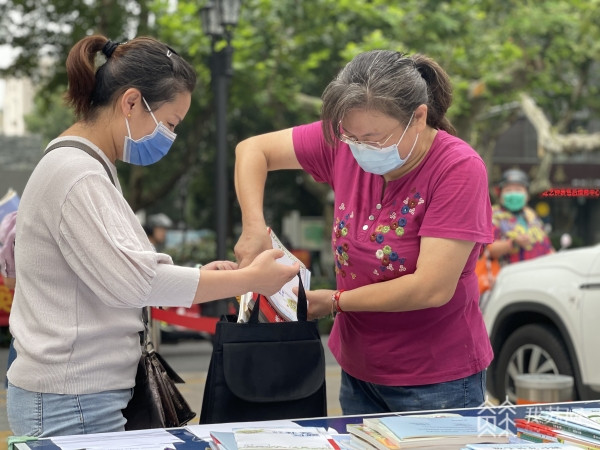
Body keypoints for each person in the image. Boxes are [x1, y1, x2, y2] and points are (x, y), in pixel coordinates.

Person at [7, 34, 299, 438]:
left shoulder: (84, 166)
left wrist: (202, 275)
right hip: (73, 400)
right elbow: (138, 282)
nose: (170, 137)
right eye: (169, 123)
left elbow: (123, 272)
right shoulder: (77, 174)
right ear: (130, 102)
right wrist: (250, 280)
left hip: (79, 395)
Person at [234, 50, 493, 415]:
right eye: (349, 136)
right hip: (358, 371)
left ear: (418, 118)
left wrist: (335, 301)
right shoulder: (347, 145)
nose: (358, 149)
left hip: (436, 380)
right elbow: (252, 150)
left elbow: (432, 287)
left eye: (372, 139)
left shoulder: (458, 169)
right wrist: (253, 229)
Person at [486, 168, 554, 265]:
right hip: (507, 275)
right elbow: (489, 250)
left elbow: (547, 246)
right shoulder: (493, 215)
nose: (514, 194)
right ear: (500, 194)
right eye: (508, 190)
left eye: (518, 190)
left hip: (537, 273)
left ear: (527, 195)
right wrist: (512, 243)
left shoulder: (531, 214)